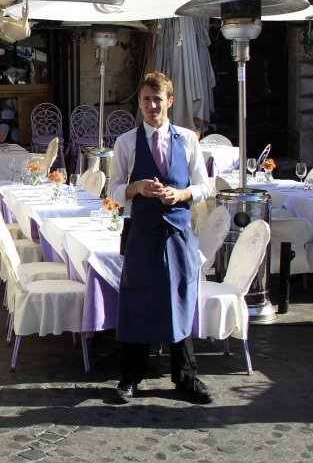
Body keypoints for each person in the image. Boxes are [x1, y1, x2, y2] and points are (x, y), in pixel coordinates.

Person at [107, 71, 214, 405]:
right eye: (146, 100)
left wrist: (181, 195)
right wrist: (136, 188)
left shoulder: (188, 139)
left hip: (178, 232)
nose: (152, 106)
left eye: (157, 99)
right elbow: (112, 191)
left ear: (170, 101)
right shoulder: (126, 142)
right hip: (141, 232)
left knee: (181, 298)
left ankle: (185, 377)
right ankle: (130, 377)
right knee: (137, 299)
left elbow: (205, 185)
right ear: (140, 103)